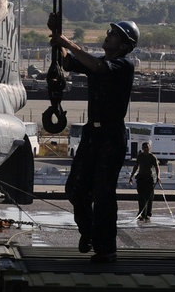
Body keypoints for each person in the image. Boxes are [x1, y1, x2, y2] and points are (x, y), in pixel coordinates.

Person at [51, 17, 138, 263]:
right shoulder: (97, 63)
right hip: (93, 134)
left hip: (111, 136)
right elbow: (68, 62)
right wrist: (58, 38)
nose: (107, 35)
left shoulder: (123, 66)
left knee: (103, 194)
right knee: (76, 189)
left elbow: (98, 68)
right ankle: (88, 233)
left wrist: (68, 42)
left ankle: (106, 248)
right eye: (109, 31)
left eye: (114, 34)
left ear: (123, 45)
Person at [129, 142, 160, 221]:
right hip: (141, 178)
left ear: (149, 148)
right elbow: (136, 166)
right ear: (142, 148)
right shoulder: (140, 156)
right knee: (141, 197)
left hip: (149, 179)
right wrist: (131, 176)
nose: (146, 149)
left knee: (149, 197)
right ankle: (141, 213)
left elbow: (157, 167)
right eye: (144, 147)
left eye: (147, 147)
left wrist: (158, 177)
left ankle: (148, 214)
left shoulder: (152, 157)